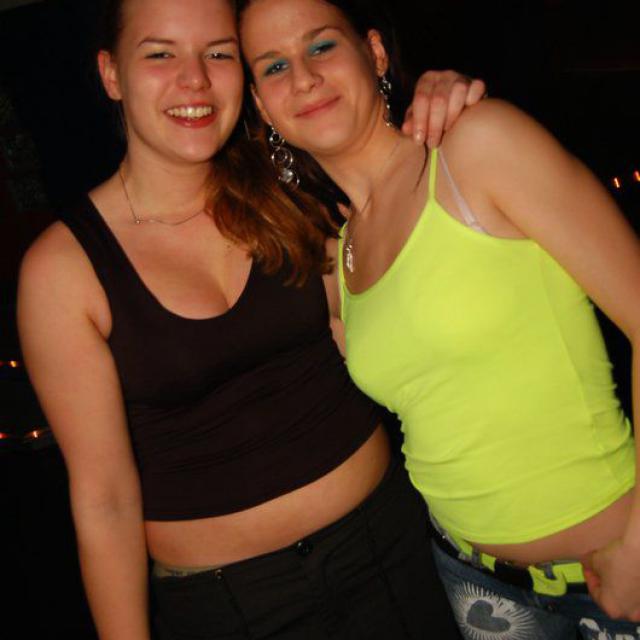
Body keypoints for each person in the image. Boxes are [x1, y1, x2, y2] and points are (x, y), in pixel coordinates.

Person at [16, 0, 485, 638]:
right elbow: (104, 499)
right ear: (111, 74)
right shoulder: (64, 269)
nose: (194, 79)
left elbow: (413, 265)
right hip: (229, 611)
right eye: (160, 54)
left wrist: (436, 103)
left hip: (395, 549)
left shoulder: (291, 185)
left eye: (218, 53)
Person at [238, 0, 640, 638]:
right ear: (262, 105)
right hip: (473, 581)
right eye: (274, 66)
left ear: (374, 53)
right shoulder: (339, 251)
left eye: (321, 46)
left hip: (611, 566)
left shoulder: (474, 147)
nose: (304, 78)